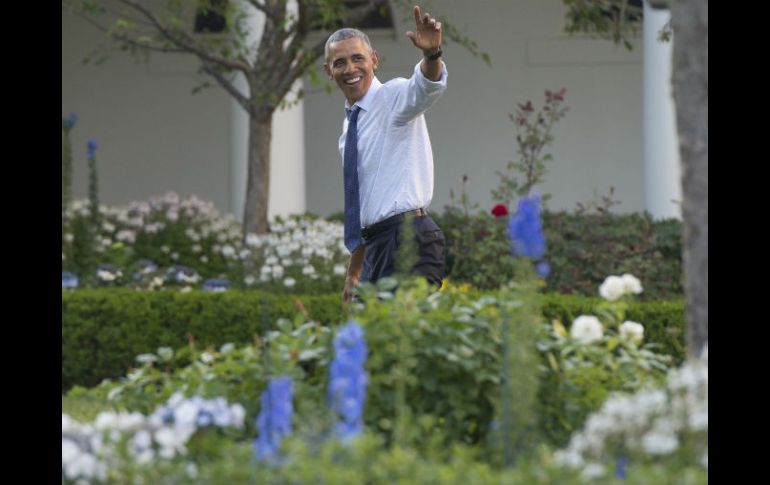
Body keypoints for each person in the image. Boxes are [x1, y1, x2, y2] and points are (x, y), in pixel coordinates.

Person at [324, 5, 448, 303]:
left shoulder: (392, 97)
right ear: (329, 72)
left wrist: (432, 54)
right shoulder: (349, 131)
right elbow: (365, 205)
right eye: (340, 62)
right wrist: (354, 270)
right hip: (376, 249)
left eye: (358, 58)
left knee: (402, 340)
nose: (350, 68)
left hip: (409, 240)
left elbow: (425, 87)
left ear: (374, 60)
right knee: (370, 343)